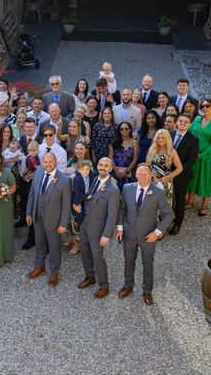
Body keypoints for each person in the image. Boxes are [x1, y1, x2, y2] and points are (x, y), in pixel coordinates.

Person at [116, 164, 174, 306]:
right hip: (129, 234)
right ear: (135, 175)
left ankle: (147, 291)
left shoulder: (158, 192)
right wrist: (120, 228)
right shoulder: (127, 188)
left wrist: (157, 232)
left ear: (150, 175)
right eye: (139, 174)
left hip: (148, 236)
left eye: (145, 174)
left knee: (147, 263)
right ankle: (128, 286)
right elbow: (122, 209)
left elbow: (168, 214)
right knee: (129, 261)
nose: (142, 177)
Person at [25, 152, 71, 285]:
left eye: (51, 162)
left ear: (55, 162)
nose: (48, 164)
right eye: (46, 162)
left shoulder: (64, 180)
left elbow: (66, 204)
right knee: (39, 244)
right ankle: (39, 267)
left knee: (54, 247)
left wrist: (63, 223)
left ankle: (54, 273)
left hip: (54, 220)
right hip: (37, 217)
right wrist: (29, 213)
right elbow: (32, 194)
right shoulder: (38, 173)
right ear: (42, 162)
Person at [77, 157, 119, 299]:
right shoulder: (95, 180)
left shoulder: (113, 189)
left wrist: (106, 235)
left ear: (111, 169)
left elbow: (113, 215)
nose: (102, 167)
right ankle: (90, 276)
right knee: (85, 252)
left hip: (98, 228)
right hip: (85, 224)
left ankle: (104, 285)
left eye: (106, 166)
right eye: (100, 165)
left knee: (97, 256)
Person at [169, 114, 199, 235]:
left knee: (179, 199)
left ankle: (177, 223)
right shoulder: (169, 135)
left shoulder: (193, 139)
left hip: (182, 175)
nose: (182, 123)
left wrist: (176, 172)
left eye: (186, 122)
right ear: (176, 122)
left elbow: (191, 161)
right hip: (166, 173)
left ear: (190, 124)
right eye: (180, 121)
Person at [187, 98, 211, 216]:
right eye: (202, 106)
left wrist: (203, 155)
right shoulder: (197, 120)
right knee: (193, 178)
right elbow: (190, 134)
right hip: (194, 155)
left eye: (207, 106)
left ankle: (205, 206)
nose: (205, 108)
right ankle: (190, 201)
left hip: (207, 157)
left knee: (205, 179)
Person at [68, 158, 96, 255]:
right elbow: (76, 191)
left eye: (87, 169)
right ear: (79, 170)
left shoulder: (93, 175)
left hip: (88, 198)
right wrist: (86, 197)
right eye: (83, 170)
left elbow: (101, 178)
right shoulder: (77, 178)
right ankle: (75, 222)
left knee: (89, 216)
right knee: (82, 212)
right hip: (79, 198)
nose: (85, 172)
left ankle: (88, 242)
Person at [109, 122, 139, 191]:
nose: (124, 130)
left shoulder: (134, 143)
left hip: (129, 172)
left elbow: (135, 158)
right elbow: (111, 157)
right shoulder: (114, 142)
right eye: (121, 129)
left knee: (127, 194)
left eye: (126, 129)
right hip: (115, 172)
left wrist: (127, 171)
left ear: (130, 130)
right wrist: (116, 171)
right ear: (119, 131)